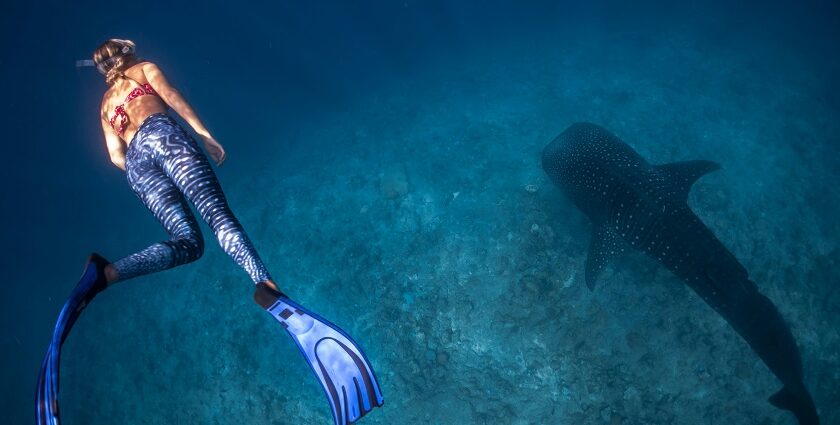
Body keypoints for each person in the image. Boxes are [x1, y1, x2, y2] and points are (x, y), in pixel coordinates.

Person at [36, 39, 383, 425]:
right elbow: (171, 97)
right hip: (162, 135)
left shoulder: (104, 107)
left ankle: (109, 273)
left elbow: (115, 157)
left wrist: (144, 168)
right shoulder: (144, 70)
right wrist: (203, 134)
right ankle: (264, 282)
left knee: (187, 242)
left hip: (137, 165)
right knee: (217, 216)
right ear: (126, 54)